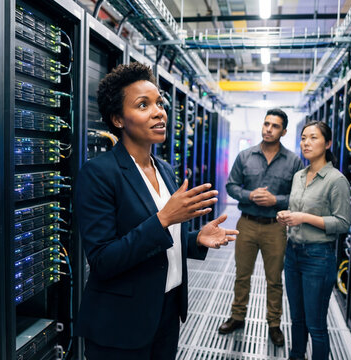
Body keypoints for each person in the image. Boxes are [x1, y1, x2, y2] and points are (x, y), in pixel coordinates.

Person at [75, 62, 238, 360]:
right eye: (143, 105)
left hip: (166, 311)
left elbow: (161, 242)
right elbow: (103, 260)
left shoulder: (164, 169)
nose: (158, 111)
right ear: (118, 119)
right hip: (121, 323)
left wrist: (195, 239)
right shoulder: (99, 173)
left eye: (159, 103)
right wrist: (164, 218)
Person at [218, 109, 303, 346]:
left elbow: (297, 196)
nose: (268, 129)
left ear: (283, 131)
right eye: (266, 124)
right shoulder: (245, 156)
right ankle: (237, 316)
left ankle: (274, 324)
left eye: (275, 126)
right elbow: (231, 186)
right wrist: (249, 195)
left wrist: (276, 200)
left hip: (275, 228)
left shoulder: (294, 161)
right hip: (246, 224)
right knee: (241, 275)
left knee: (274, 278)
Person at [277, 121, 351, 360]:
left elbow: (342, 223)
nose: (306, 143)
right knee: (296, 319)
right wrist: (286, 216)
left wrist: (304, 217)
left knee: (315, 324)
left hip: (318, 258)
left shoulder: (335, 180)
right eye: (303, 138)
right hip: (293, 254)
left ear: (327, 143)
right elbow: (295, 209)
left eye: (313, 138)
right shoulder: (299, 175)